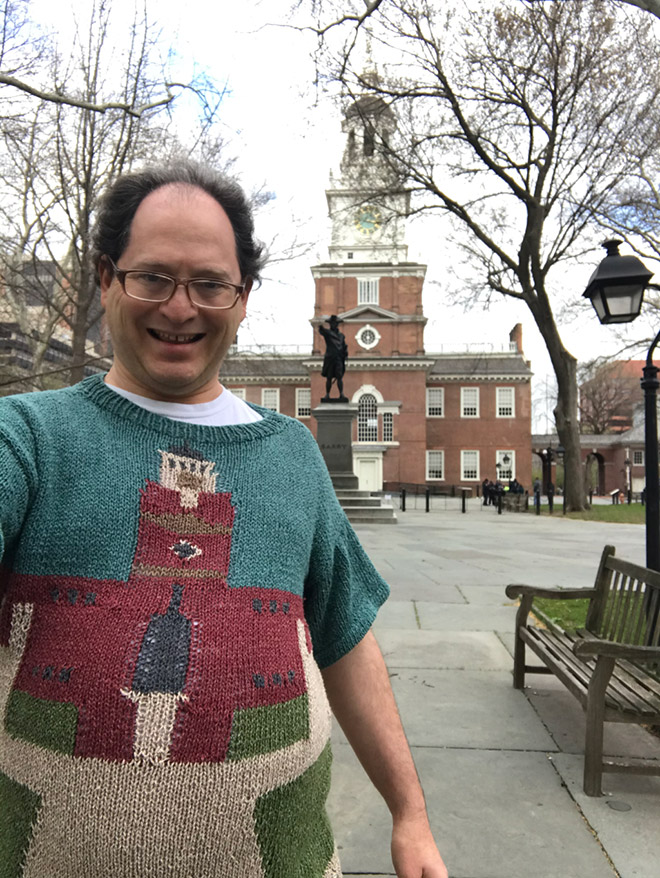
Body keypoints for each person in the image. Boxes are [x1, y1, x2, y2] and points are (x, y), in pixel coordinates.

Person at [0, 162, 447, 878]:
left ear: (243, 299)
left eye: (210, 284)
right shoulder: (28, 437)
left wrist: (411, 813)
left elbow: (347, 637)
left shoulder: (293, 453)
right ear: (105, 278)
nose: (181, 308)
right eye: (153, 277)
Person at [319, 314, 348, 401]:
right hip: (330, 358)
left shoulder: (341, 336)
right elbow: (321, 331)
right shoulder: (328, 333)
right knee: (329, 377)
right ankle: (327, 394)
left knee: (339, 377)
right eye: (332, 323)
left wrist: (345, 353)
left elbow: (343, 346)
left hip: (338, 358)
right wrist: (319, 323)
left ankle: (341, 394)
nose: (333, 325)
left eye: (335, 323)